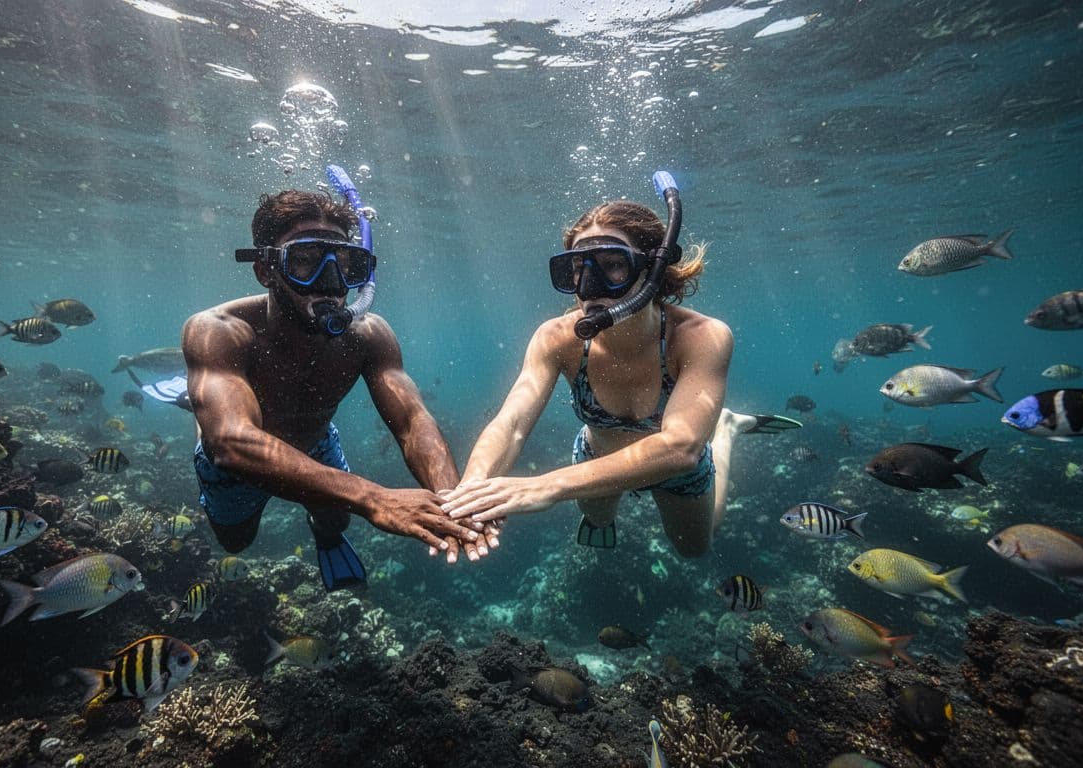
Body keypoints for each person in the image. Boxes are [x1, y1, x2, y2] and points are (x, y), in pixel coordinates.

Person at [441, 191, 798, 557]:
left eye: (612, 265)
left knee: (694, 548)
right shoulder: (556, 338)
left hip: (675, 466)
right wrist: (471, 491)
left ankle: (723, 430)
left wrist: (544, 487)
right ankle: (599, 513)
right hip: (597, 457)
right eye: (577, 268)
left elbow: (681, 448)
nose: (588, 286)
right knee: (597, 519)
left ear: (653, 270)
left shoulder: (701, 337)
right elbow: (512, 422)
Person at [184, 187, 489, 591]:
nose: (330, 282)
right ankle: (203, 402)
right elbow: (231, 443)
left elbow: (413, 421)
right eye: (305, 261)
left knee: (335, 519)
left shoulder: (368, 336)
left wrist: (452, 501)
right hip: (235, 452)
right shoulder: (219, 331)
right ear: (265, 269)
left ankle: (326, 537)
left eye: (344, 262)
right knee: (236, 542)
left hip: (315, 439)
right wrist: (375, 498)